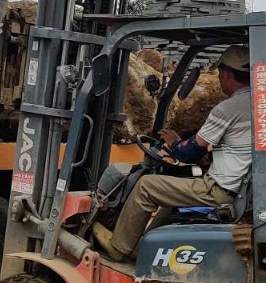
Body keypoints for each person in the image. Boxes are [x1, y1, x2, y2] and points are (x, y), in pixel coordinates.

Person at [107, 45, 255, 261]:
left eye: (219, 73)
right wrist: (206, 157)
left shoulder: (229, 108)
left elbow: (188, 154)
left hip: (220, 191)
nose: (219, 77)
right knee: (170, 193)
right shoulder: (261, 104)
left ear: (227, 74)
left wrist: (175, 143)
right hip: (239, 187)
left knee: (146, 186)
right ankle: (146, 247)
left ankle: (118, 248)